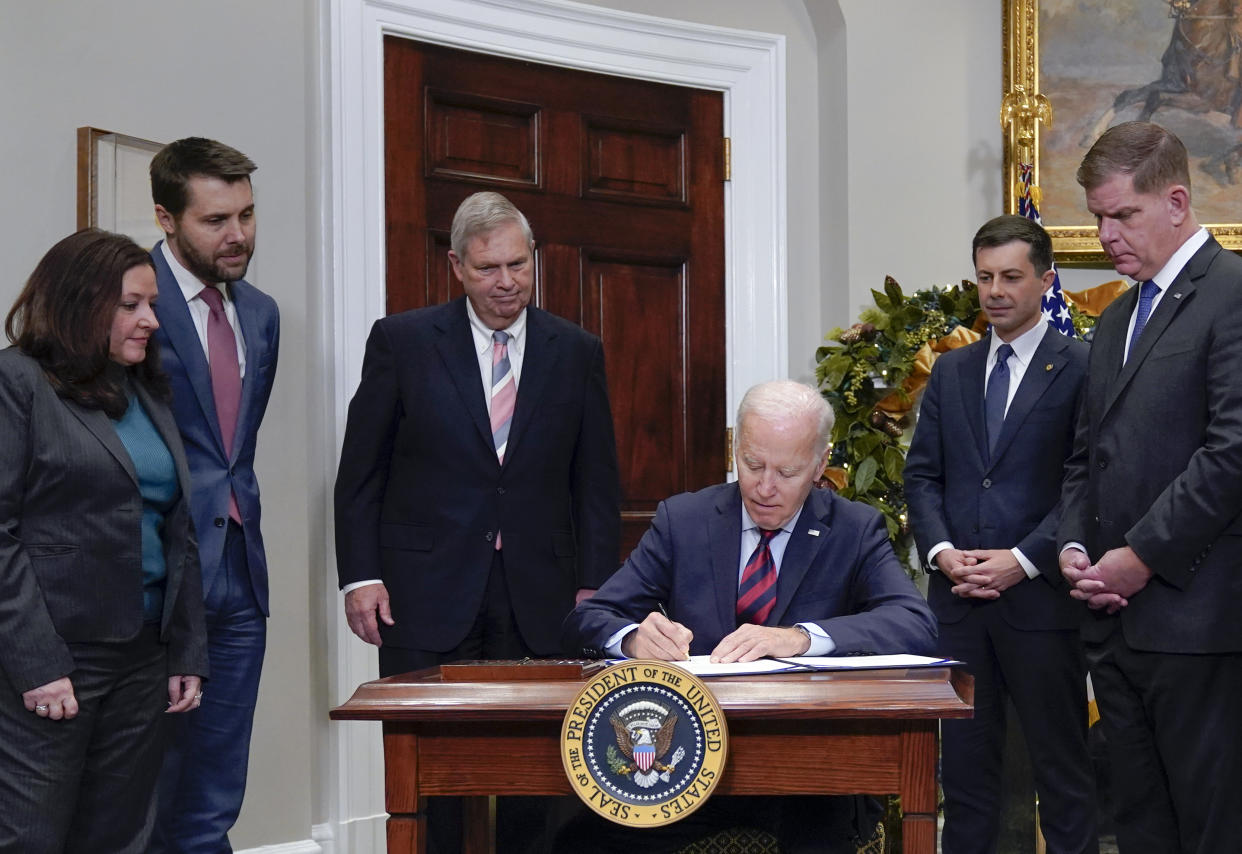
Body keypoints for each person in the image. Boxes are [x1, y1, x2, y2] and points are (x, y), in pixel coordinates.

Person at [334, 190, 620, 851]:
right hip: (423, 593)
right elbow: (361, 472)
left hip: (540, 594)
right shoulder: (402, 342)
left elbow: (596, 482)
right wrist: (360, 577)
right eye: (489, 268)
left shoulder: (575, 350)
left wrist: (594, 584)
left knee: (539, 772)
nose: (507, 283)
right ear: (457, 266)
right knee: (434, 775)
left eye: (519, 265)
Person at [562, 379, 936, 853]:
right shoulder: (685, 521)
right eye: (752, 464)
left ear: (821, 466)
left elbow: (914, 622)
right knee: (581, 841)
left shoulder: (853, 530)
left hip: (811, 766)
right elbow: (589, 617)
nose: (764, 488)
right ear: (735, 449)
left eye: (787, 472)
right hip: (686, 762)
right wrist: (634, 639)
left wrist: (800, 638)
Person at [1059, 121, 1242, 854]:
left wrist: (1138, 557)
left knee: (1212, 830)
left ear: (1175, 201)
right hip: (1115, 629)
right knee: (1139, 831)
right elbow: (1085, 458)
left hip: (1199, 625)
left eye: (1122, 215)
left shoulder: (1230, 294)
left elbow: (1231, 454)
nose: (1106, 233)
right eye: (1099, 217)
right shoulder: (1111, 320)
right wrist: (1074, 542)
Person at [0, 229, 208, 853]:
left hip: (143, 656)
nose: (150, 320)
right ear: (79, 302)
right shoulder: (17, 382)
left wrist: (187, 650)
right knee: (32, 838)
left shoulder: (144, 388)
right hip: (56, 659)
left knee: (120, 838)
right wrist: (39, 666)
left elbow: (178, 529)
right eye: (131, 305)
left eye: (151, 305)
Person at [904, 215, 1097, 854]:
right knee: (964, 780)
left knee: (1063, 777)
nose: (995, 291)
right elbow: (923, 476)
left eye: (1011, 277)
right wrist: (940, 553)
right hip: (958, 610)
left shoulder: (1082, 367)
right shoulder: (952, 371)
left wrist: (1023, 559)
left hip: (1042, 607)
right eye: (985, 277)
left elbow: (1085, 483)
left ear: (1046, 280)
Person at [146, 137, 280, 853]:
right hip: (159, 581)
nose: (238, 235)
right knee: (155, 787)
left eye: (248, 216)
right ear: (167, 218)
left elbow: (237, 453)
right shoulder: (133, 302)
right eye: (216, 220)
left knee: (218, 788)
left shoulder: (260, 314)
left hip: (240, 576)